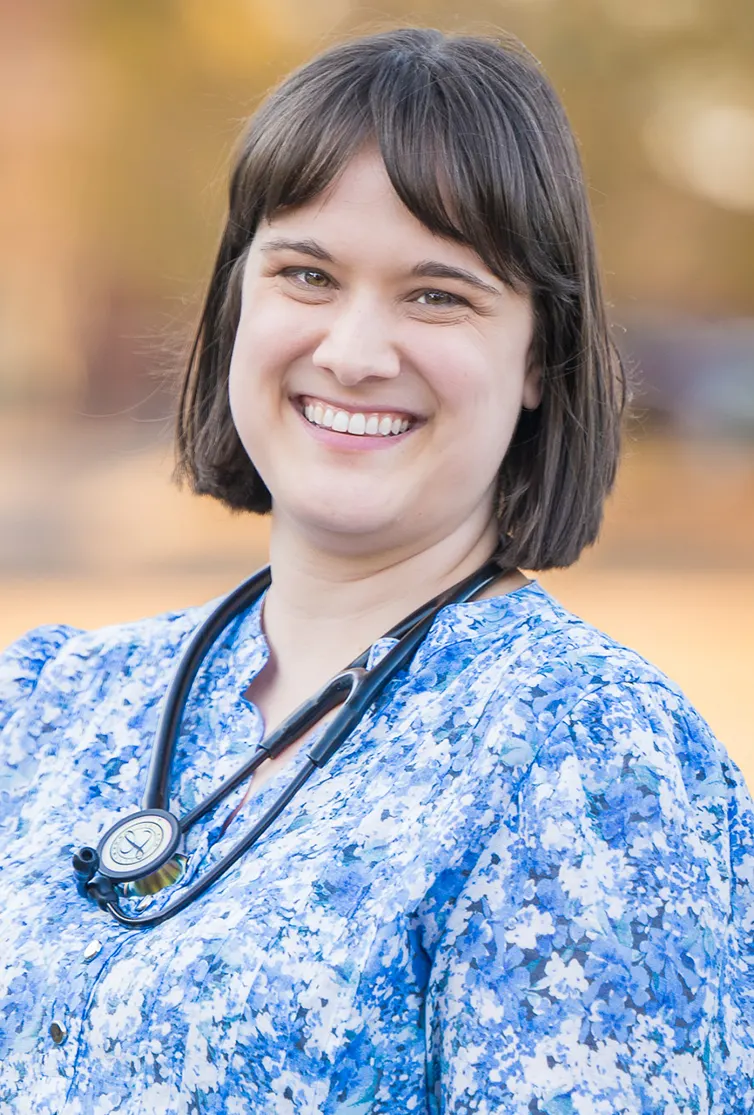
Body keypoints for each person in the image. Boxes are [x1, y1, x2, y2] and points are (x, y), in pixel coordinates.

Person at [0, 26, 752, 1115]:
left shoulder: (586, 758)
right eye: (306, 273)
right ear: (236, 304)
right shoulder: (46, 704)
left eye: (436, 294)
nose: (354, 351)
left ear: (539, 354)